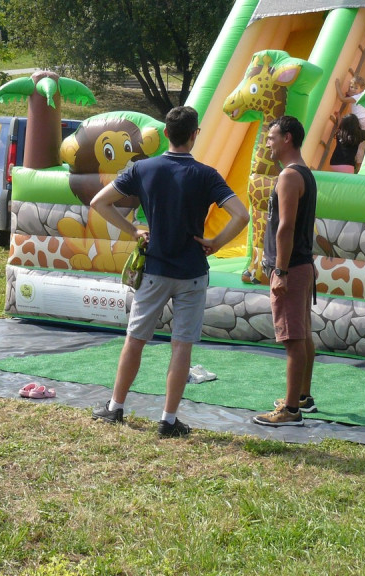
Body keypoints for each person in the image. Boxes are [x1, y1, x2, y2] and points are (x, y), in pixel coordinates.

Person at [89, 106, 250, 437]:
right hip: (192, 271)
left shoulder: (143, 168)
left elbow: (99, 202)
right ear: (195, 135)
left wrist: (133, 230)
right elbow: (241, 215)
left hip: (155, 270)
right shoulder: (207, 175)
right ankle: (168, 419)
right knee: (182, 346)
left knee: (135, 340)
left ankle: (115, 407)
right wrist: (216, 243)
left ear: (166, 134)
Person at [253, 115, 319, 426]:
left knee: (293, 338)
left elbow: (286, 226)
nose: (268, 142)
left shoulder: (290, 177)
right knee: (303, 333)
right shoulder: (302, 173)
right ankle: (303, 397)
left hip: (291, 268)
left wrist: (280, 269)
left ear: (288, 138)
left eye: (272, 136)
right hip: (302, 265)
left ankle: (290, 410)